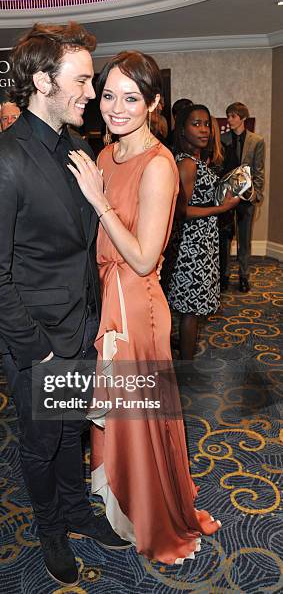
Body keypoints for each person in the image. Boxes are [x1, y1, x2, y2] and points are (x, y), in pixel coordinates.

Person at [0, 22, 130, 588]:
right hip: (37, 342)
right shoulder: (0, 159)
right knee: (41, 443)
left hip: (81, 328)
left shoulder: (79, 149)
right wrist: (40, 353)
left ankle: (78, 513)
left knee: (70, 433)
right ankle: (50, 529)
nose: (93, 91)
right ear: (42, 81)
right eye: (83, 80)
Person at [67, 52, 222, 564]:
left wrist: (98, 201)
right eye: (108, 95)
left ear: (154, 103)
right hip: (106, 301)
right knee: (116, 414)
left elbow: (142, 257)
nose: (115, 107)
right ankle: (117, 498)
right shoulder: (107, 154)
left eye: (130, 97)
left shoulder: (159, 165)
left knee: (140, 418)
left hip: (138, 308)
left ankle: (155, 515)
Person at [164, 104, 239, 361]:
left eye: (206, 123)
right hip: (191, 247)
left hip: (200, 243)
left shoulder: (195, 160)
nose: (204, 129)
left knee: (191, 310)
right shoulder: (187, 163)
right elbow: (181, 212)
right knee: (190, 312)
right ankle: (185, 368)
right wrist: (221, 208)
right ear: (182, 130)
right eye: (196, 124)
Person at [220, 102, 265, 293]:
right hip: (228, 197)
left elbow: (259, 170)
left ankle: (244, 276)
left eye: (233, 116)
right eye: (228, 116)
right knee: (225, 238)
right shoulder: (222, 139)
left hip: (247, 197)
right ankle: (223, 275)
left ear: (242, 118)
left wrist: (257, 195)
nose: (229, 120)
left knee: (244, 239)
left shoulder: (257, 141)